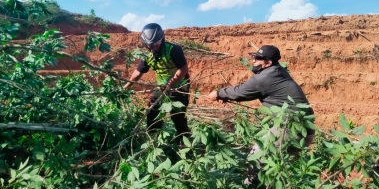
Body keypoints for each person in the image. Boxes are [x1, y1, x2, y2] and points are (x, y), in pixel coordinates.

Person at [208, 45, 315, 185]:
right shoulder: (278, 71)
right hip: (305, 129)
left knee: (255, 162)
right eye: (254, 57)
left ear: (268, 63)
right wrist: (229, 96)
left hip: (290, 128)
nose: (253, 61)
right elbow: (245, 93)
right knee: (280, 173)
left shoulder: (264, 77)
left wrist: (217, 93)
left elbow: (241, 91)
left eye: (258, 59)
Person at [124, 23, 190, 143]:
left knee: (178, 116)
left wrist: (169, 85)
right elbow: (138, 72)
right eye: (150, 45)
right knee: (152, 112)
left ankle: (184, 142)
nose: (154, 47)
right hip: (161, 88)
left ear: (162, 39)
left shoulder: (173, 50)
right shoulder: (148, 56)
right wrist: (127, 86)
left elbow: (183, 69)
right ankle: (155, 141)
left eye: (156, 44)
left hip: (180, 87)